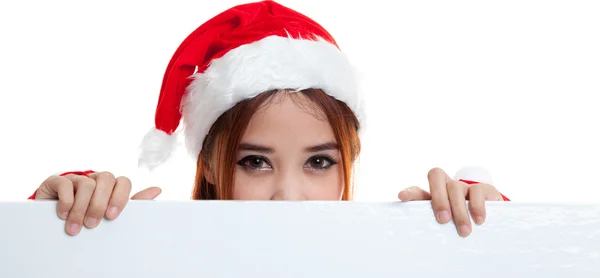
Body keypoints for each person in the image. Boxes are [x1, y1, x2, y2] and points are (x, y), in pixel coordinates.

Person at [29, 0, 509, 237]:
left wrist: (483, 222)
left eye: (319, 163)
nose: (288, 197)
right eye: (255, 162)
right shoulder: (157, 266)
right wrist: (52, 219)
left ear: (348, 161)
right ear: (213, 165)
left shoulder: (385, 271)